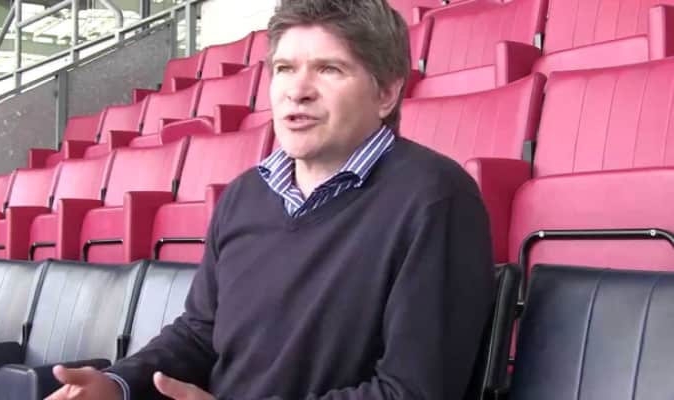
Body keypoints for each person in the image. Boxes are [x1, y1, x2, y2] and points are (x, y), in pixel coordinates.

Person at [46, 0, 495, 399]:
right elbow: (201, 333)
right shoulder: (244, 195)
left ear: (386, 93)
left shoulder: (436, 199)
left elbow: (414, 390)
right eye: (284, 68)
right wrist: (119, 384)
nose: (297, 90)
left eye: (329, 69)